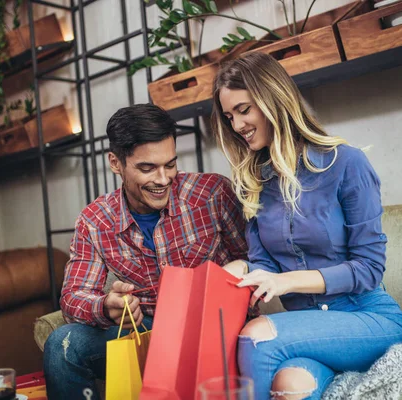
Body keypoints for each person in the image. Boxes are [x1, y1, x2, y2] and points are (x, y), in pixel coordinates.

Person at [212, 52, 402, 400]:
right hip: (311, 329)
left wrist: (282, 282)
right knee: (289, 386)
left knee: (255, 336)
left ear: (273, 99)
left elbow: (369, 269)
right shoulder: (255, 182)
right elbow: (264, 265)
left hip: (368, 319)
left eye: (244, 110)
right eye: (230, 116)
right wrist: (234, 270)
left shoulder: (346, 163)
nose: (237, 124)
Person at [43, 104, 248, 400]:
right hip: (147, 333)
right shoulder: (95, 221)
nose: (163, 179)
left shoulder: (212, 194)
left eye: (170, 164)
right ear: (116, 163)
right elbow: (73, 296)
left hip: (216, 331)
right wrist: (106, 306)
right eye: (147, 168)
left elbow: (254, 261)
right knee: (62, 344)